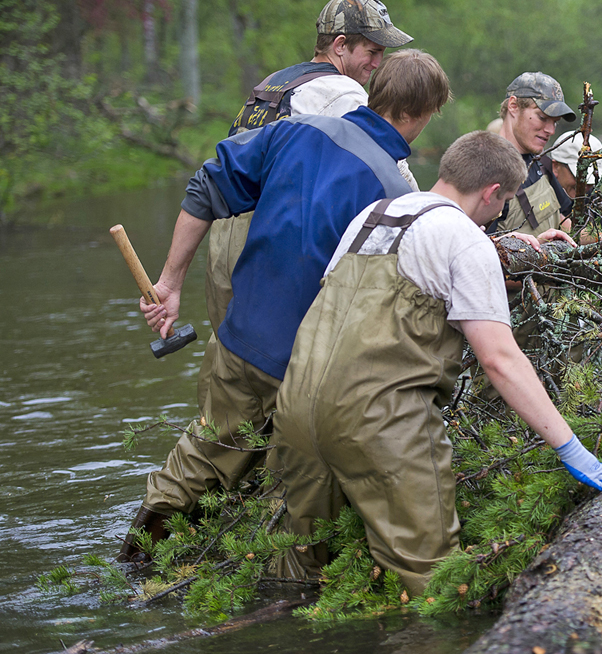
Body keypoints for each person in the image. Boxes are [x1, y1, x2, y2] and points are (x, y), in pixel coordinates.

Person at [117, 50, 451, 562]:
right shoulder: (392, 190)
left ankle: (135, 561)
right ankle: (282, 606)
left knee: (199, 455)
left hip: (237, 338)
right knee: (296, 507)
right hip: (304, 373)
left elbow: (205, 186)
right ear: (418, 114)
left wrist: (169, 282)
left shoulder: (292, 132)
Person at [271, 131, 602, 590]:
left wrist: (499, 248)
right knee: (434, 584)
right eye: (502, 203)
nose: (501, 213)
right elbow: (500, 359)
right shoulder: (466, 241)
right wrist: (569, 446)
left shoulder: (375, 214)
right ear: (490, 193)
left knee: (298, 569)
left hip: (296, 409)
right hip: (379, 420)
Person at [209, 0, 417, 334]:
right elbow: (393, 170)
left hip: (222, 242)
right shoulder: (343, 92)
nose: (378, 63)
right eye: (373, 51)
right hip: (264, 242)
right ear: (339, 45)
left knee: (234, 361)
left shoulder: (277, 82)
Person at [485, 72, 577, 236]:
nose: (551, 130)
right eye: (542, 117)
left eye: (555, 122)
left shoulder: (540, 162)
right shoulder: (487, 170)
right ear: (513, 106)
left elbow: (563, 221)